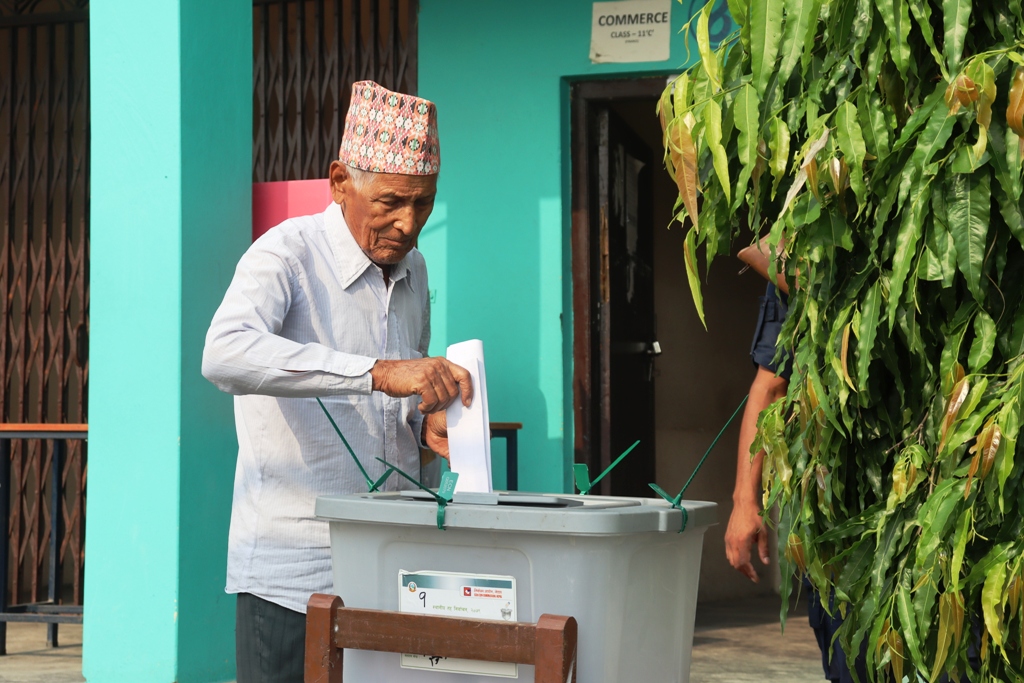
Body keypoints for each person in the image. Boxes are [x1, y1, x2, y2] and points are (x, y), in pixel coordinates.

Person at [202, 81, 472, 683]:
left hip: (389, 562)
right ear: (339, 182)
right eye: (392, 202)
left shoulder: (414, 268)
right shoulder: (285, 255)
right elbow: (224, 354)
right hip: (294, 570)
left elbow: (402, 385)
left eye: (424, 204)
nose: (408, 224)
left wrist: (427, 420)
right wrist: (376, 374)